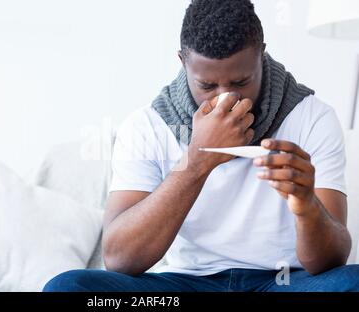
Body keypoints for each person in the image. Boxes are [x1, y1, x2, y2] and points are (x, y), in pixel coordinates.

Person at [44, 0, 359, 292]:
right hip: (187, 285)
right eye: (207, 85)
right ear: (183, 62)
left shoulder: (311, 117)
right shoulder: (148, 126)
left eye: (240, 81)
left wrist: (306, 206)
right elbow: (120, 259)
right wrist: (198, 159)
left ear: (260, 54)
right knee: (69, 288)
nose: (225, 98)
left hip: (284, 283)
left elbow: (329, 263)